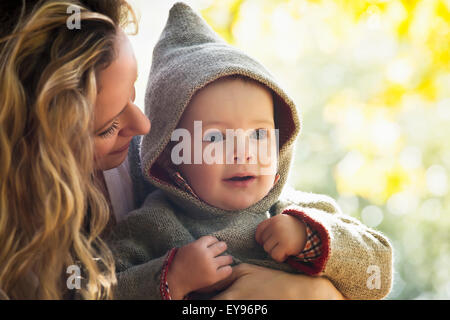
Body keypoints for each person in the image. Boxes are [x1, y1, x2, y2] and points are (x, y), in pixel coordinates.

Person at [0, 0, 347, 300]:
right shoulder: (153, 220)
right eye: (107, 127)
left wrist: (313, 285)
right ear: (36, 153)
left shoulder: (293, 210)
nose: (144, 128)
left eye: (133, 93)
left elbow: (371, 260)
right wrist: (168, 279)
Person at [109, 3, 393, 300]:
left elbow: (378, 274)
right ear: (170, 155)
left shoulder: (302, 213)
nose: (243, 153)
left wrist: (310, 240)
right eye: (216, 137)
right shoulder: (152, 225)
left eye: (259, 134)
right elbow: (94, 292)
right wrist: (171, 278)